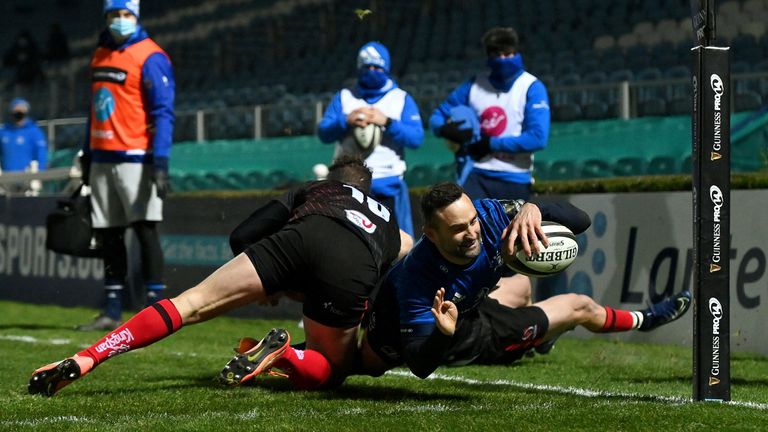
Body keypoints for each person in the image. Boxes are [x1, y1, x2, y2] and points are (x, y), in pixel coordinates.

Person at [28, 156, 410, 397]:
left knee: (189, 303)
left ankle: (89, 357)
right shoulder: (390, 221)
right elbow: (404, 258)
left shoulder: (314, 189)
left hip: (297, 239)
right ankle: (288, 355)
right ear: (368, 190)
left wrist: (273, 279)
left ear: (333, 177)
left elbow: (242, 235)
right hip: (352, 261)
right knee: (334, 371)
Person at [236, 183, 691, 382]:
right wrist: (444, 333)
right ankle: (644, 318)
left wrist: (535, 209)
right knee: (577, 306)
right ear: (430, 236)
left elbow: (582, 220)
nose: (473, 232)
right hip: (446, 332)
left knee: (521, 287)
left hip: (465, 304)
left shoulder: (491, 216)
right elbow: (418, 366)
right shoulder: (420, 279)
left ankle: (540, 338)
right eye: (459, 230)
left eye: (473, 221)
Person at [77, 0, 175, 331]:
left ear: (136, 17)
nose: (120, 20)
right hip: (102, 158)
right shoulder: (100, 54)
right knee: (108, 234)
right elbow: (93, 108)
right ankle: (112, 310)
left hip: (137, 158)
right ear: (105, 17)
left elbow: (163, 113)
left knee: (145, 229)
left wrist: (160, 161)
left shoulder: (151, 56)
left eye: (126, 15)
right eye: (113, 15)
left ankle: (156, 311)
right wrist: (87, 152)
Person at [429, 27, 550, 201]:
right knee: (471, 227)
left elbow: (537, 138)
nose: (503, 59)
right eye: (497, 55)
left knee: (511, 228)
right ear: (488, 56)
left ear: (516, 52)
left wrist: (491, 144)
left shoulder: (531, 87)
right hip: (477, 172)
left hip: (515, 176)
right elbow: (436, 117)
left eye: (508, 54)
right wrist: (445, 130)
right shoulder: (474, 85)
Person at [318, 41, 424, 236]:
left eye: (377, 67)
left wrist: (388, 122)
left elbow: (416, 138)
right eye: (366, 66)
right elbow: (323, 132)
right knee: (350, 244)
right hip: (350, 186)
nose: (371, 71)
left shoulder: (400, 98)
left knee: (399, 246)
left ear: (386, 68)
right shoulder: (345, 97)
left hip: (388, 185)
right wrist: (345, 120)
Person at [0, 98, 48, 195]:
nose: (19, 113)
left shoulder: (34, 132)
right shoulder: (4, 132)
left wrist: (39, 175)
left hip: (27, 179)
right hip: (6, 179)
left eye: (21, 111)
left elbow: (41, 154)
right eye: (16, 110)